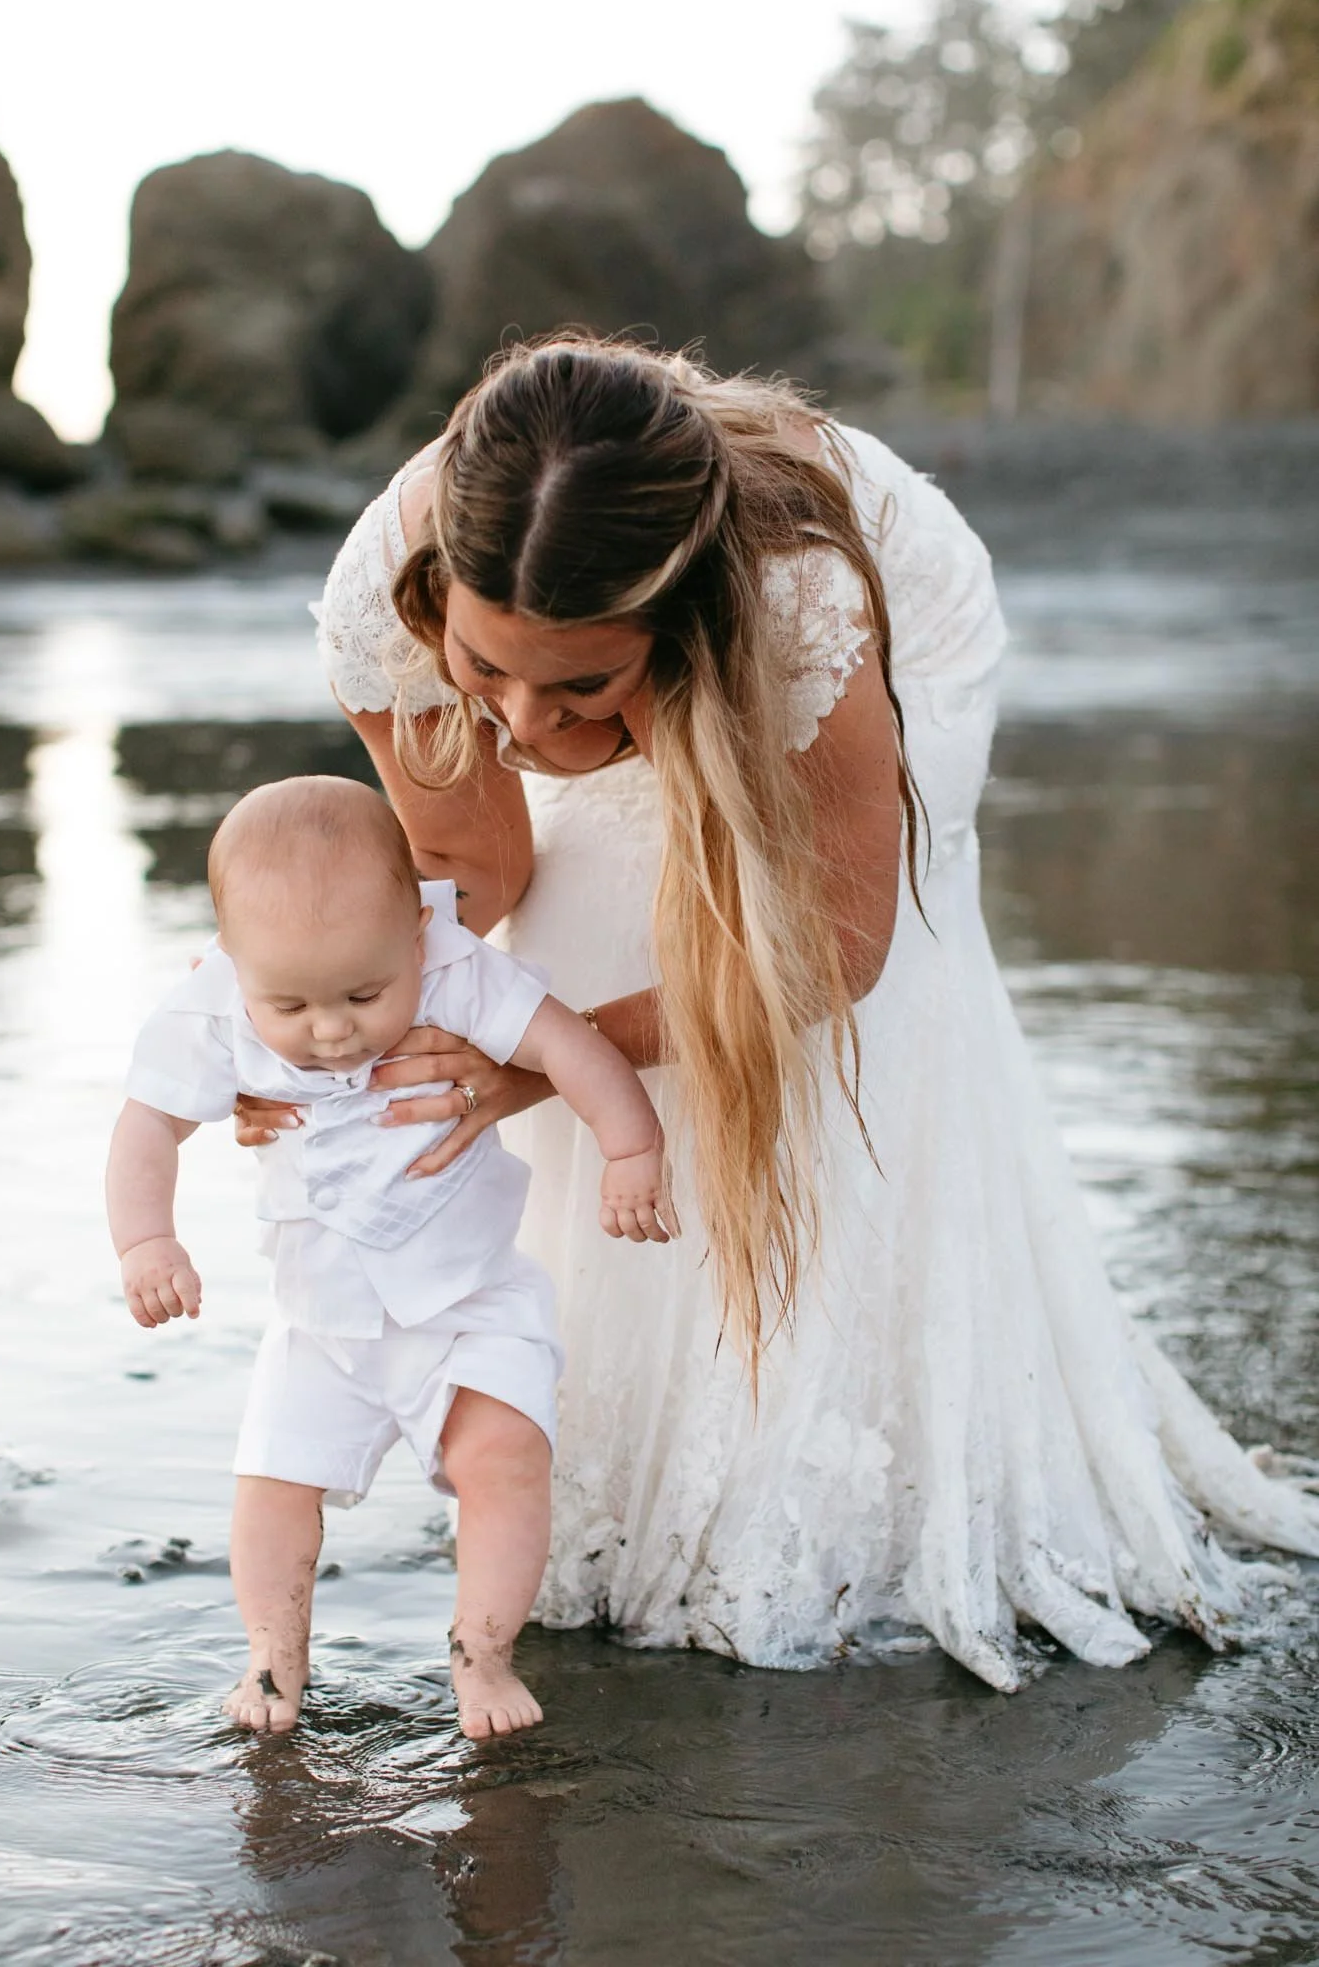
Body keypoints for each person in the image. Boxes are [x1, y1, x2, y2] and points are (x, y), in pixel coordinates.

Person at [292, 336, 1319, 1691]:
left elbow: (839, 947)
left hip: (884, 645)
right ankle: (603, 1449)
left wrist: (550, 1064)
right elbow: (478, 871)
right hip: (609, 642)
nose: (527, 730)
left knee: (745, 965)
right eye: (489, 673)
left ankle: (823, 1453)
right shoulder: (389, 594)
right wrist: (342, 1022)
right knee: (576, 920)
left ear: (669, 635)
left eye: (581, 687)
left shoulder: (797, 603)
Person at [106, 775, 676, 1738]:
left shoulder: (455, 966)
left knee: (505, 1459)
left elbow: (568, 1047)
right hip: (320, 1321)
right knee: (273, 1484)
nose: (332, 1030)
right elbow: (145, 1126)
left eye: (364, 996)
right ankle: (273, 1660)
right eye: (289, 1004)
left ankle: (482, 1655)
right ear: (231, 961)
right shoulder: (212, 1005)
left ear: (415, 934)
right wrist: (146, 1239)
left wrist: (631, 1149)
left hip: (471, 1300)